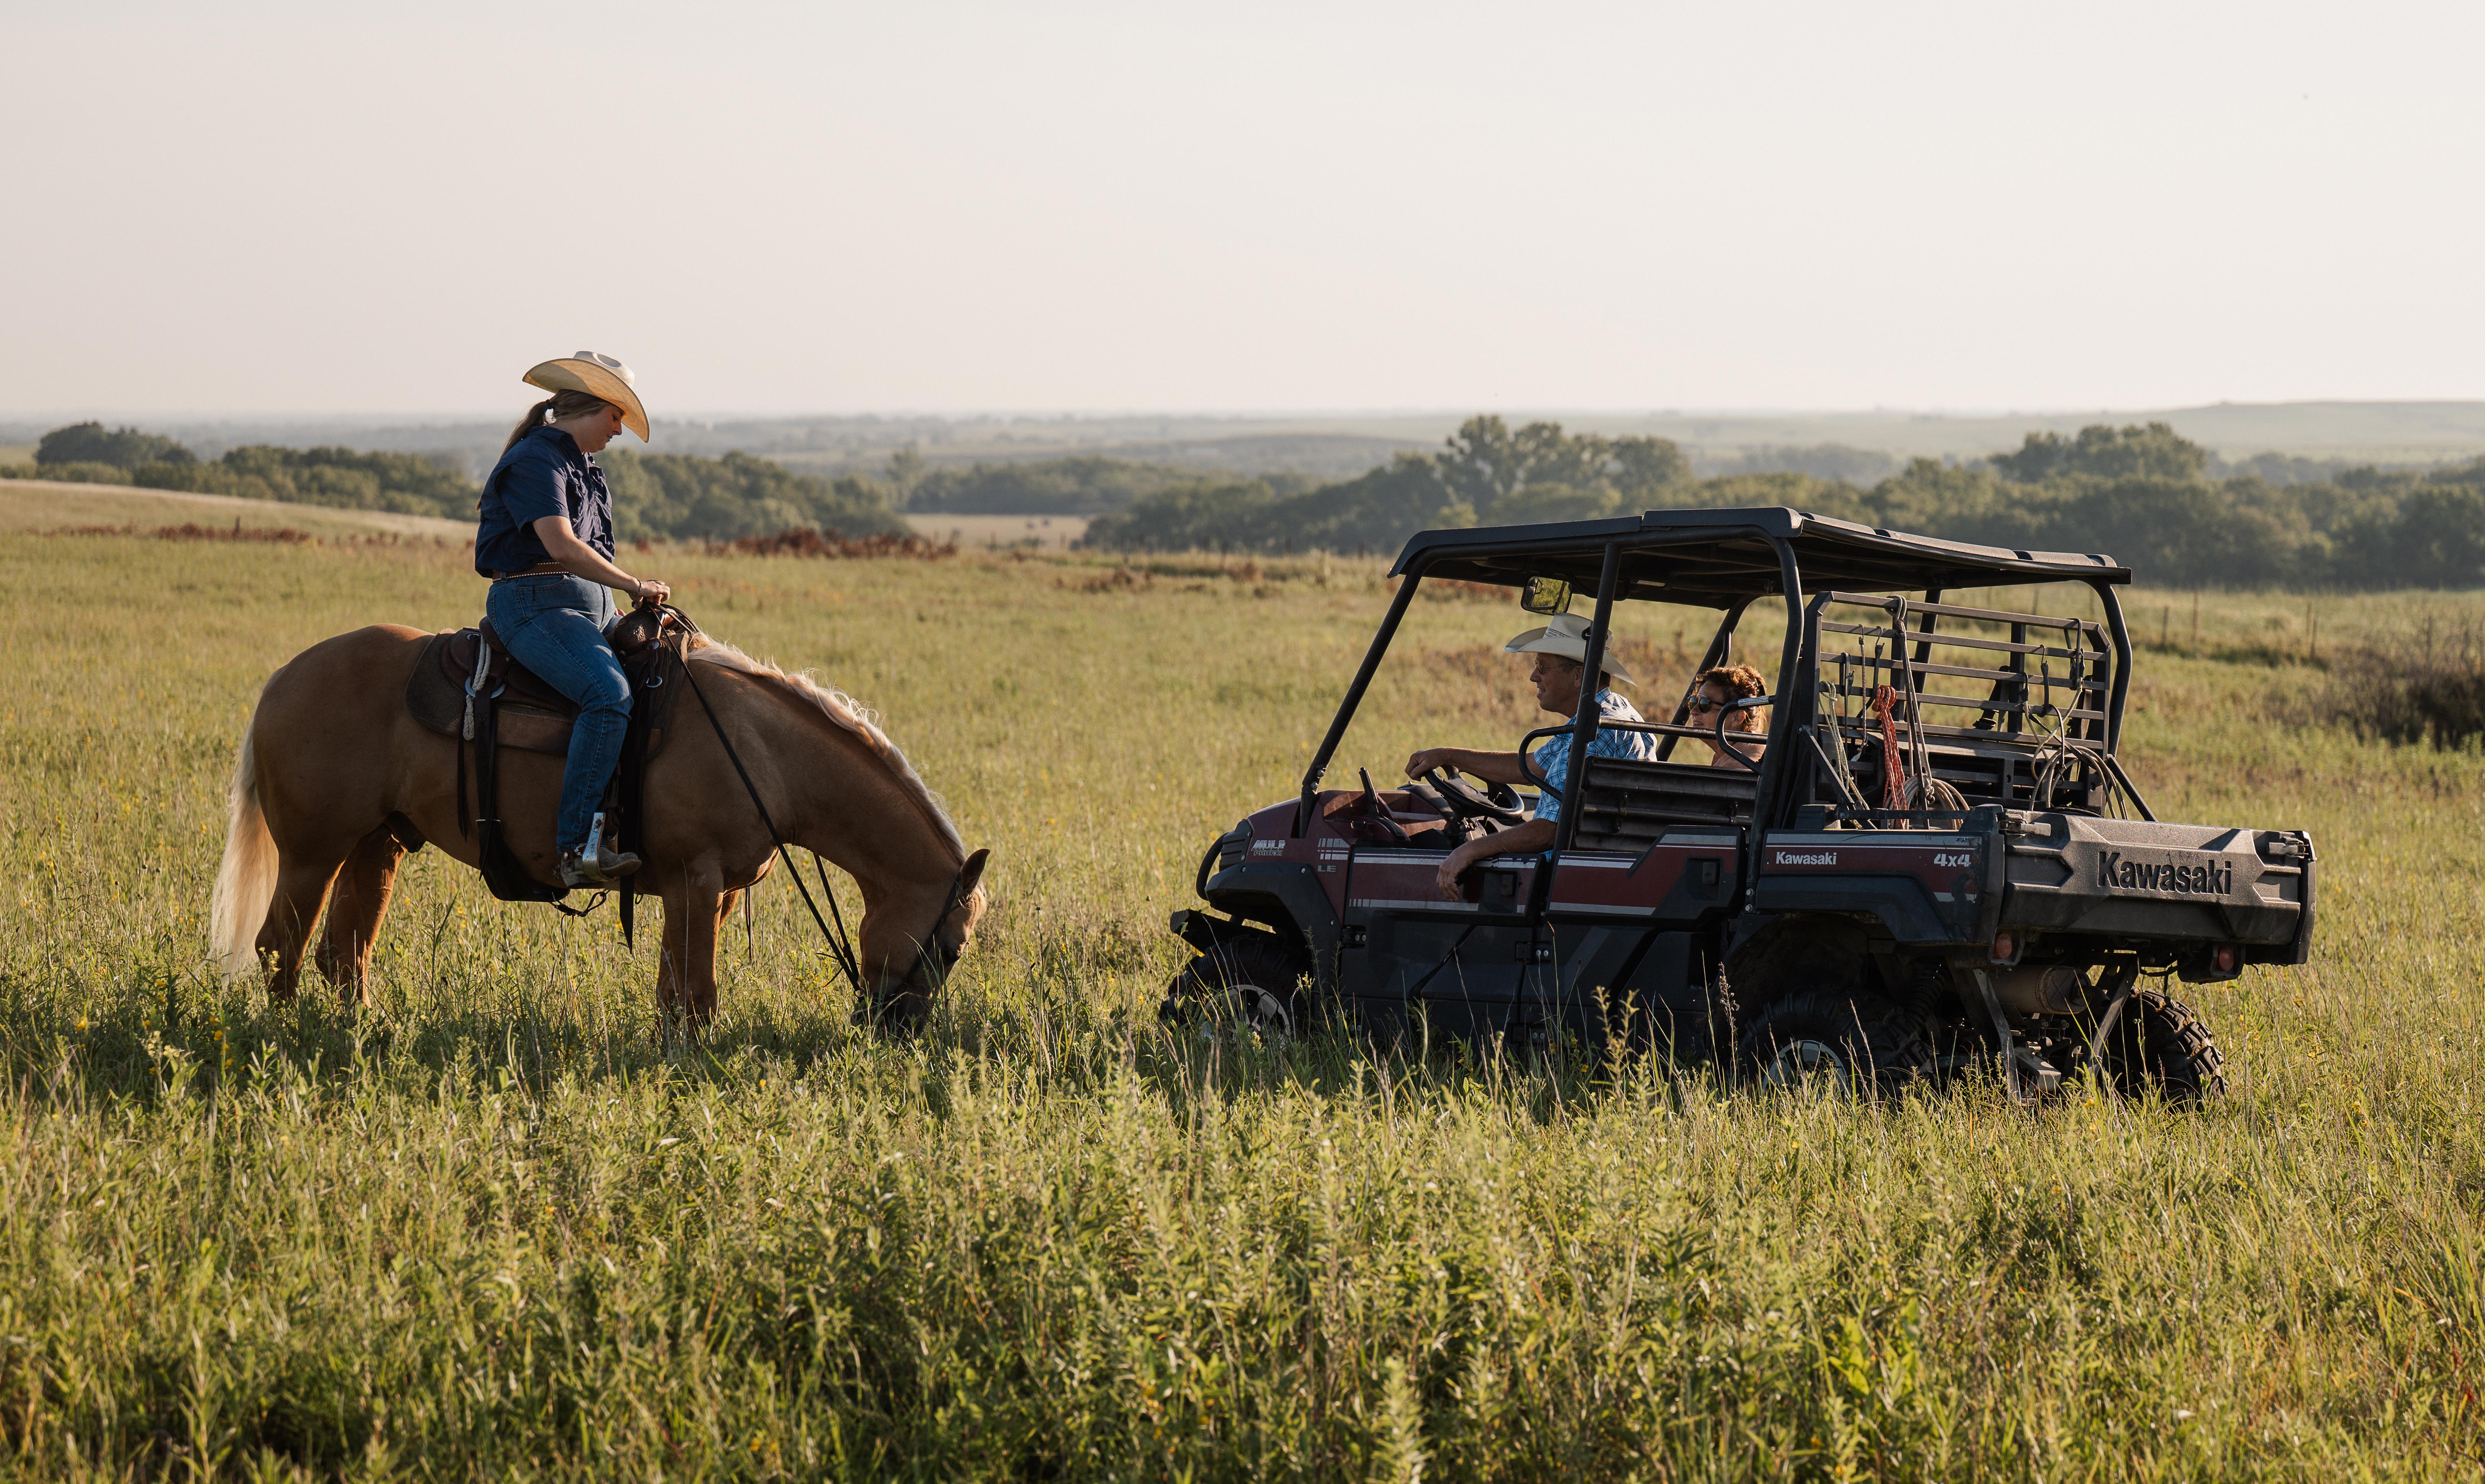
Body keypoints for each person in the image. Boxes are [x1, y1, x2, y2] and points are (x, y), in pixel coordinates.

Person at [474, 352, 671, 888]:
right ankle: (575, 847)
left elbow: (593, 558)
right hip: (535, 604)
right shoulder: (536, 459)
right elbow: (561, 546)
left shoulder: (586, 470)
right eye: (615, 417)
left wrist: (622, 602)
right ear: (592, 406)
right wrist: (633, 584)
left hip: (592, 607)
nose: (619, 430)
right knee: (608, 697)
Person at [1404, 612, 1659, 900]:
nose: (1533, 676)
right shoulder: (1611, 714)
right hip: (1605, 869)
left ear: (1578, 676)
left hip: (1563, 881)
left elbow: (1550, 831)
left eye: (1542, 666)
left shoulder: (1591, 735)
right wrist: (1448, 756)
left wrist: (1469, 850)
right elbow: (1528, 766)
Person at [1686, 663, 1770, 770]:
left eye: (1704, 704)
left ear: (1737, 718)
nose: (1694, 711)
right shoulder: (1739, 753)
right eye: (1694, 701)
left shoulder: (1735, 767)